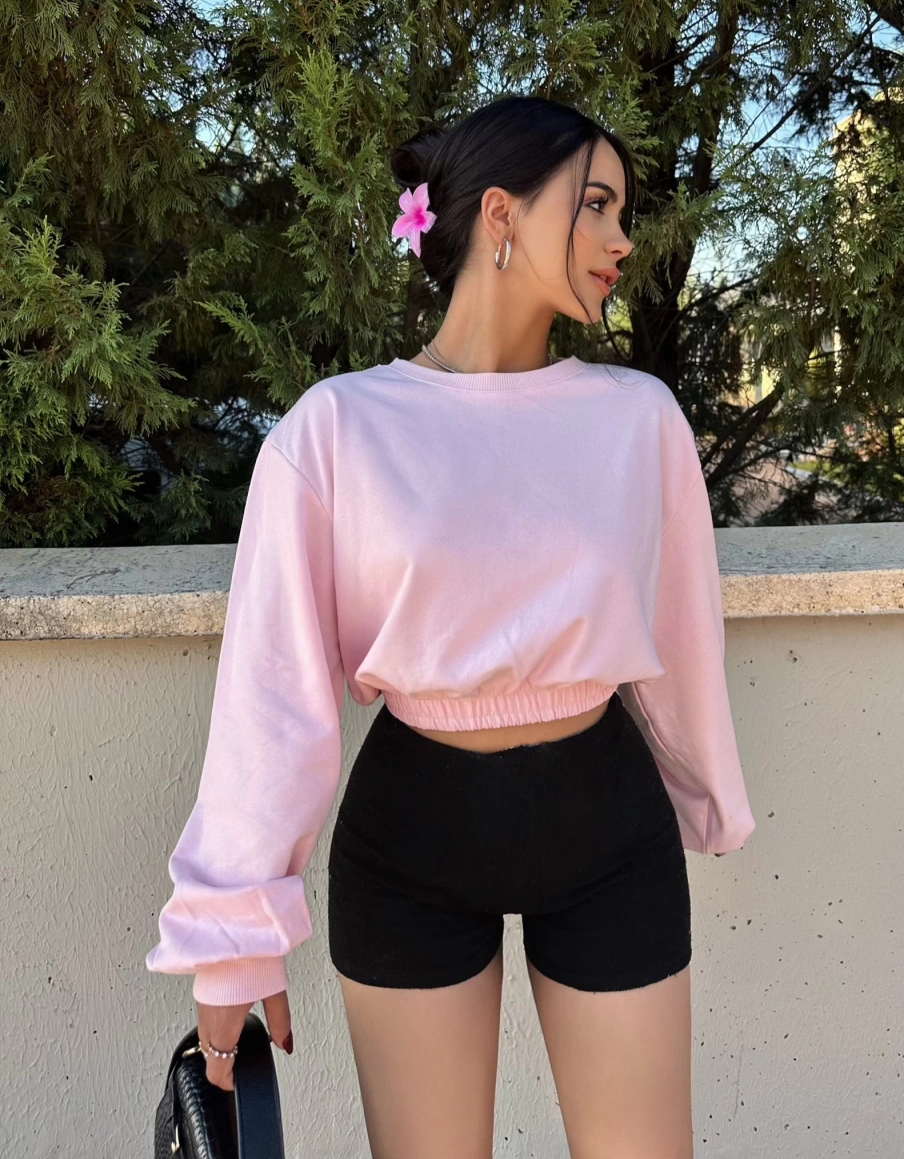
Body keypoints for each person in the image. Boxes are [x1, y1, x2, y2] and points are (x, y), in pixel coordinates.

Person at [146, 94, 755, 1159]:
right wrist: (232, 939)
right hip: (412, 839)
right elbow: (274, 695)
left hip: (606, 828)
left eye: (622, 212)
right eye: (596, 205)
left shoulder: (637, 418)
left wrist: (705, 790)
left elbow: (678, 639)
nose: (622, 240)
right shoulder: (338, 429)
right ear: (501, 213)